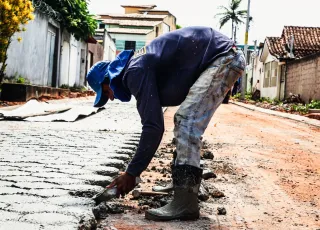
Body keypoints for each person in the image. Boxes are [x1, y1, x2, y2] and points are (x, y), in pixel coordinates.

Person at [86, 26, 245, 221]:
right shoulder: (137, 67)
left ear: (108, 80)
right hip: (223, 56)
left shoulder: (134, 71)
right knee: (185, 118)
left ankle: (186, 201)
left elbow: (153, 127)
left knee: (186, 120)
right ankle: (181, 180)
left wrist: (131, 173)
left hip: (224, 58)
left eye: (105, 92)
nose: (110, 98)